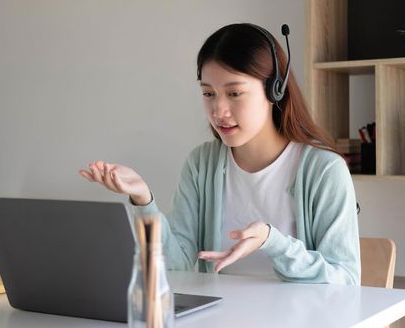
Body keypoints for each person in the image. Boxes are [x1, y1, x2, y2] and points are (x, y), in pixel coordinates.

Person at [78, 23, 360, 285]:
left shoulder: (323, 171)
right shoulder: (202, 165)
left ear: (275, 90)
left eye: (234, 93)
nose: (218, 111)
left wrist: (273, 242)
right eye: (208, 93)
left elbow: (346, 281)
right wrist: (143, 199)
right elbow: (177, 264)